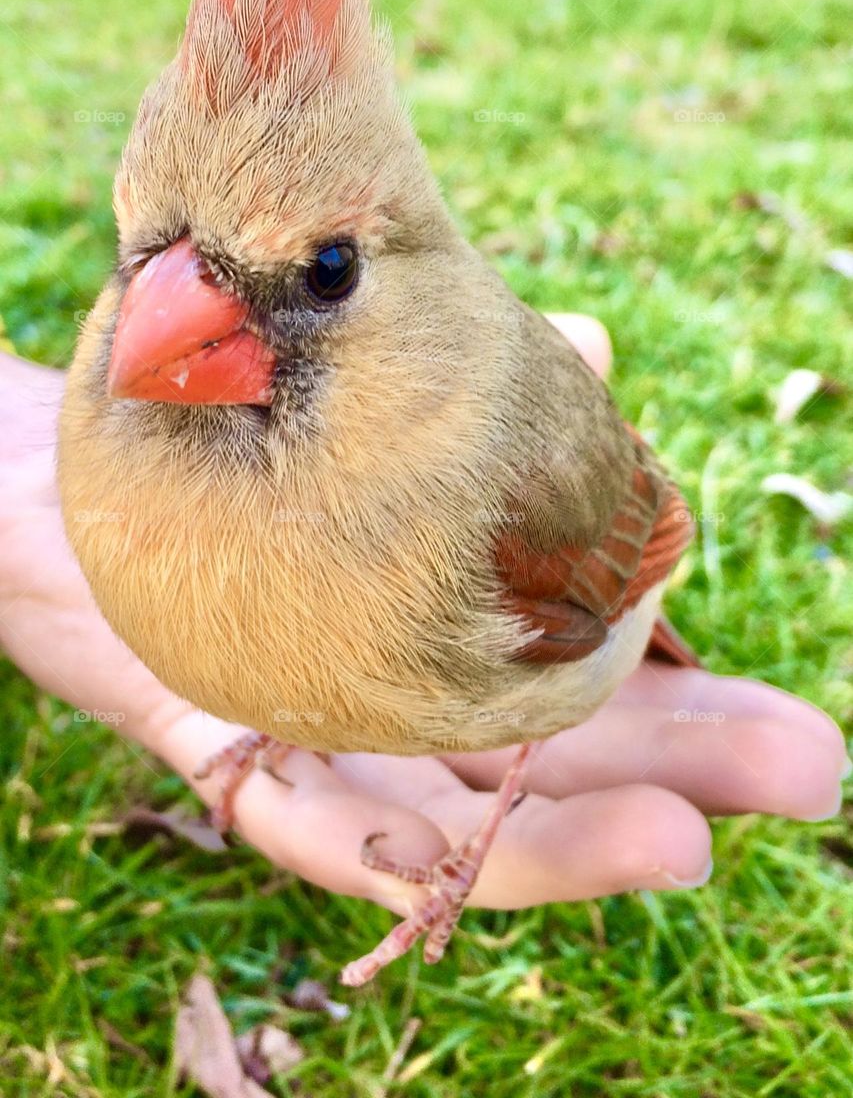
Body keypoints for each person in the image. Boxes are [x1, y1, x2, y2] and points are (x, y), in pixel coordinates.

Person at [0, 316, 846, 920]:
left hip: (554, 622)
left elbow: (649, 522)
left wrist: (458, 863)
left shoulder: (495, 534)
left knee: (544, 700)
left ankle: (482, 835)